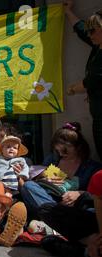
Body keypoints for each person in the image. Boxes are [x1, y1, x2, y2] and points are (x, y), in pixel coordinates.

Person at [21, 122, 102, 221]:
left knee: (91, 211)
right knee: (28, 186)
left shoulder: (92, 167)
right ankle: (57, 218)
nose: (61, 154)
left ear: (78, 147)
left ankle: (54, 219)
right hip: (51, 202)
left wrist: (80, 194)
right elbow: (35, 177)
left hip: (75, 206)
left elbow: (98, 195)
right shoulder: (52, 159)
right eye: (58, 151)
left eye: (65, 151)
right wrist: (42, 176)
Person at [64, 1, 102, 159]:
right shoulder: (97, 46)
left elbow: (91, 81)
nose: (90, 34)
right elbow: (81, 31)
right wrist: (68, 12)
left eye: (93, 30)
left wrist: (71, 89)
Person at [38, 169, 102, 257]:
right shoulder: (98, 177)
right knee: (46, 208)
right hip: (88, 214)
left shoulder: (89, 167)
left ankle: (85, 252)